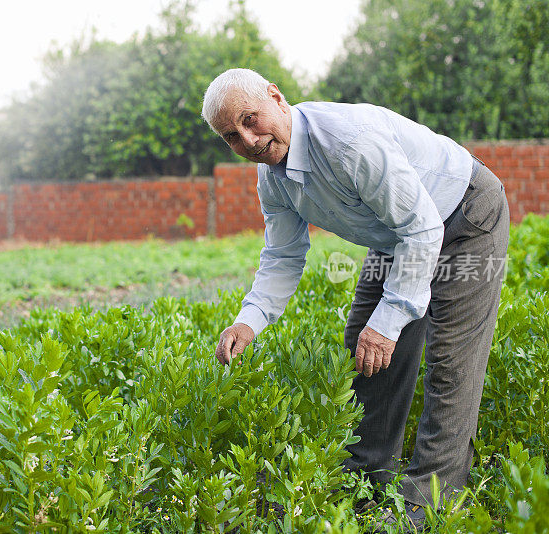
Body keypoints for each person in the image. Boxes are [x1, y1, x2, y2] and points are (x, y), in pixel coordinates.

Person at [203, 68, 509, 530]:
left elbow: (425, 229)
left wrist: (390, 322)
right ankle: (365, 484)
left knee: (450, 362)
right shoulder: (273, 177)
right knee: (365, 355)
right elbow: (283, 254)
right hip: (398, 236)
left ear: (276, 97)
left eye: (251, 118)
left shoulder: (348, 143)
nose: (248, 139)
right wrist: (250, 320)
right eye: (232, 135)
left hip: (462, 217)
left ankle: (427, 503)